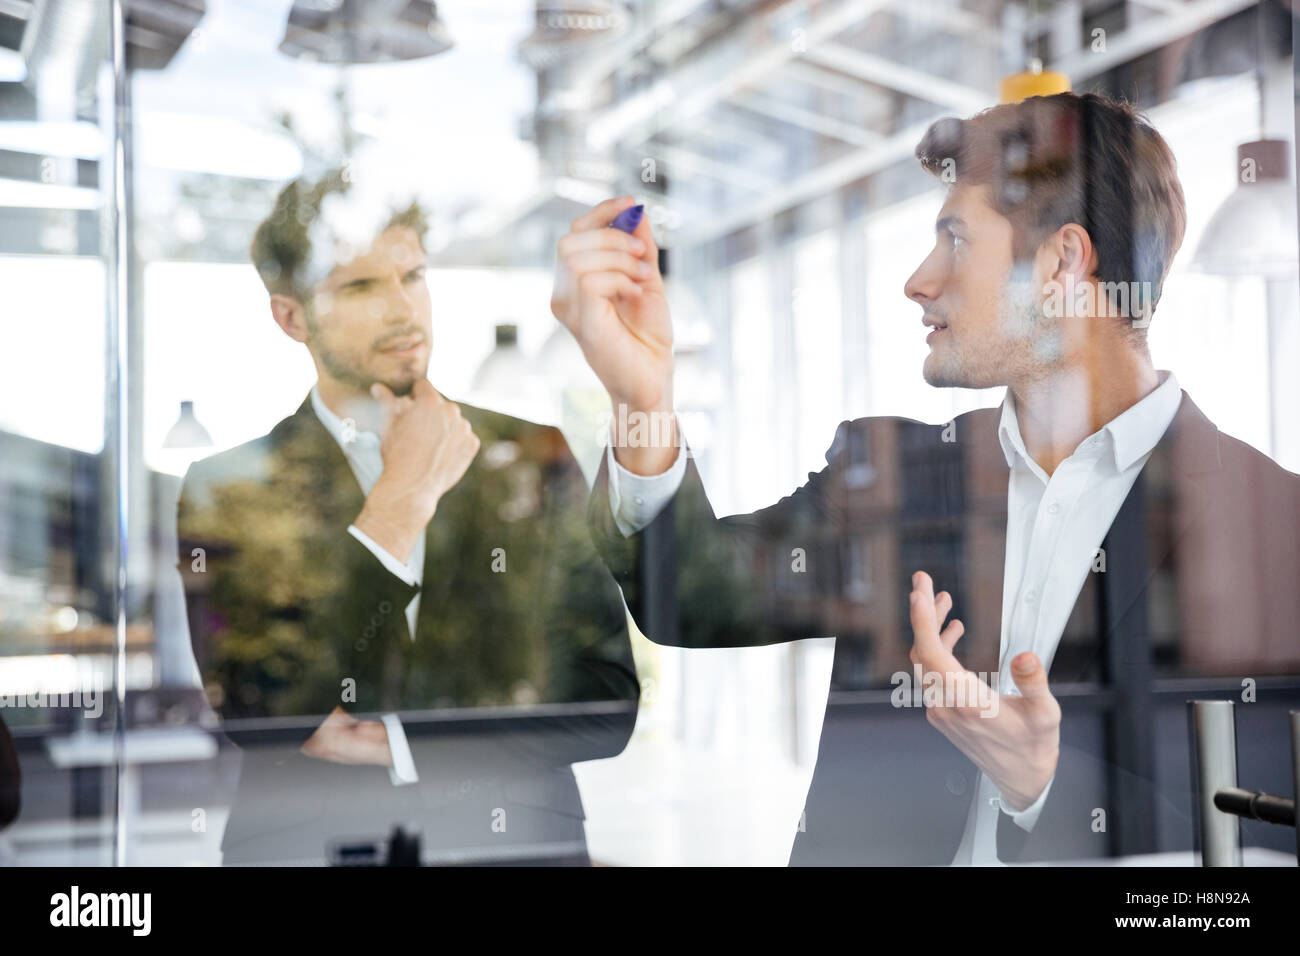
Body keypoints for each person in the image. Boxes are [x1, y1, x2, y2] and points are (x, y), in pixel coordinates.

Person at [550, 92, 1300, 864]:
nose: (918, 279)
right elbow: (690, 604)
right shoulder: (895, 475)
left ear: (1061, 263)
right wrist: (643, 400)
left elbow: (1263, 833)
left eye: (954, 239)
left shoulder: (1276, 526)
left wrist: (1044, 788)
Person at [177, 171, 639, 865]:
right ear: (291, 317)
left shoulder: (531, 455)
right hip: (312, 851)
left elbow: (604, 704)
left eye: (414, 276)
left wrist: (401, 742)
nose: (403, 309)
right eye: (360, 286)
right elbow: (270, 714)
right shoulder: (229, 486)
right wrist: (401, 503)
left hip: (516, 849)